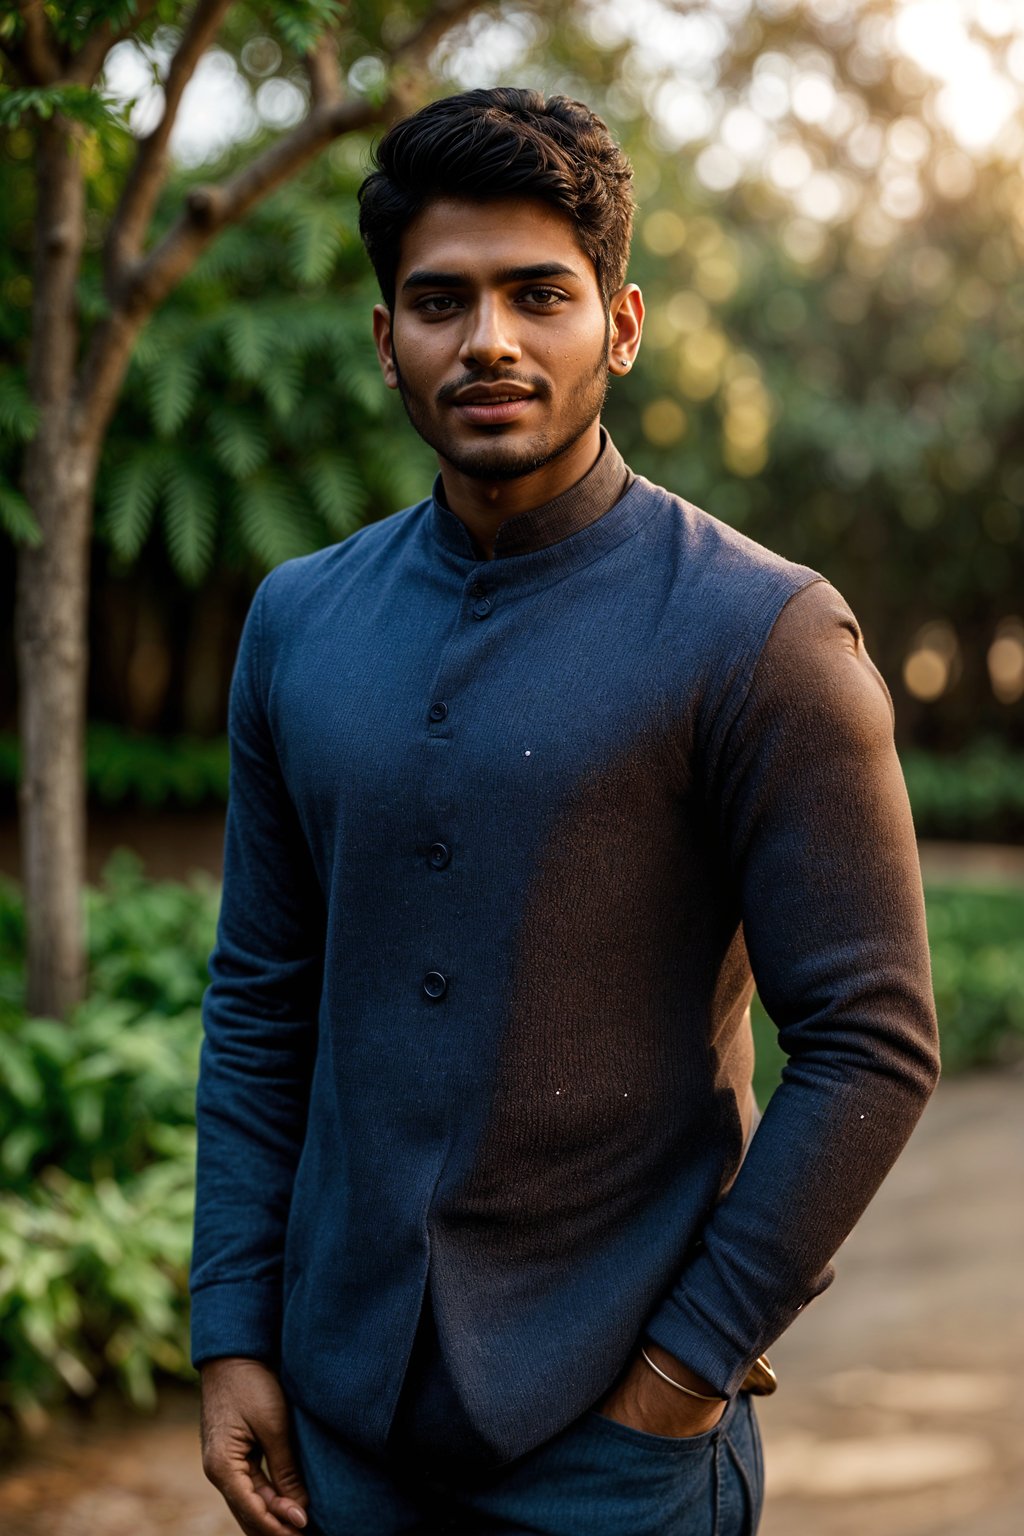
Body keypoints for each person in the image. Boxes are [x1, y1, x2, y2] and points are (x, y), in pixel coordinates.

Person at [191, 88, 940, 1536]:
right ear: (385, 340)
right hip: (339, 1425)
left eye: (540, 294)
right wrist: (232, 1326)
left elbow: (873, 1039)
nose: (488, 341)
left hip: (617, 1453)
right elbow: (261, 996)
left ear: (625, 325)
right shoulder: (297, 621)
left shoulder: (761, 634)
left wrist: (684, 1371)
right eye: (439, 300)